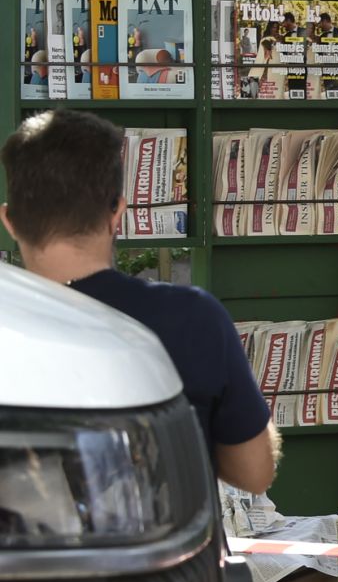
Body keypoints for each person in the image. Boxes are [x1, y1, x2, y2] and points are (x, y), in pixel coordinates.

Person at [0, 110, 277, 494]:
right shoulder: (193, 318)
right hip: (168, 553)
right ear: (117, 212)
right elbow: (254, 474)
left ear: (9, 220)